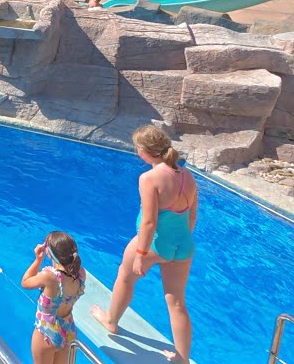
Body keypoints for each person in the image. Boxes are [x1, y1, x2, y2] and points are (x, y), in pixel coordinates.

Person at [91, 125, 197, 363]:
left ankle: (111, 321)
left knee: (125, 277)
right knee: (177, 301)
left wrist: (141, 254)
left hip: (154, 243)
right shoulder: (187, 176)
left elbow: (149, 222)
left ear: (145, 151)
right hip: (183, 244)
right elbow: (192, 216)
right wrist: (175, 244)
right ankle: (182, 359)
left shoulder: (149, 178)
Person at [22, 231, 87, 364]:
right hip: (68, 331)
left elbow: (25, 282)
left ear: (49, 252)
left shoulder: (49, 277)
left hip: (47, 333)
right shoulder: (81, 274)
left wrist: (38, 260)